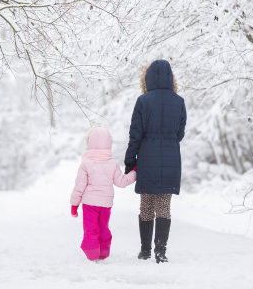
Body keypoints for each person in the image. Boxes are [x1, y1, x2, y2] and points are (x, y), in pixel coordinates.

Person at [124, 59, 187, 263]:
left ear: (148, 78)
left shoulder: (143, 101)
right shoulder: (179, 102)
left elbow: (135, 134)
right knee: (164, 206)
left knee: (146, 206)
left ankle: (145, 251)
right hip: (171, 160)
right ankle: (161, 252)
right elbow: (180, 133)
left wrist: (129, 160)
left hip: (147, 159)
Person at [70, 126, 136, 261]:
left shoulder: (85, 163)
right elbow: (121, 182)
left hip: (89, 204)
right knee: (103, 228)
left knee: (91, 229)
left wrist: (74, 204)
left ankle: (92, 253)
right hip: (106, 203)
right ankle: (103, 251)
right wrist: (134, 172)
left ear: (90, 143)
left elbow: (79, 186)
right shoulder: (112, 164)